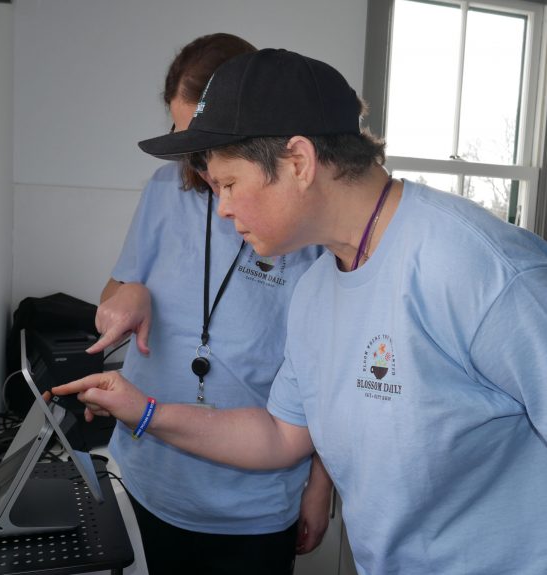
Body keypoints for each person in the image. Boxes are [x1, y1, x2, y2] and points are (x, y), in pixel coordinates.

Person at [54, 48, 547, 574]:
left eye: (229, 184)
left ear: (298, 162)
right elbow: (280, 435)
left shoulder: (482, 269)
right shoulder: (317, 287)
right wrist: (145, 411)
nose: (221, 207)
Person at [85, 37, 331, 575]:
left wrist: (320, 483)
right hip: (150, 479)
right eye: (182, 138)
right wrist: (130, 295)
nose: (193, 160)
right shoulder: (161, 191)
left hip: (252, 501)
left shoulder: (305, 226)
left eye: (203, 143)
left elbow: (322, 375)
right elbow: (114, 295)